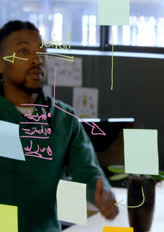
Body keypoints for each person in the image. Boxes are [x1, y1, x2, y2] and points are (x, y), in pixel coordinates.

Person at [0, 20, 119, 231]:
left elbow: (88, 172)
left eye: (42, 52)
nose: (37, 60)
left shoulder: (64, 119)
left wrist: (103, 193)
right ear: (1, 63)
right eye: (24, 51)